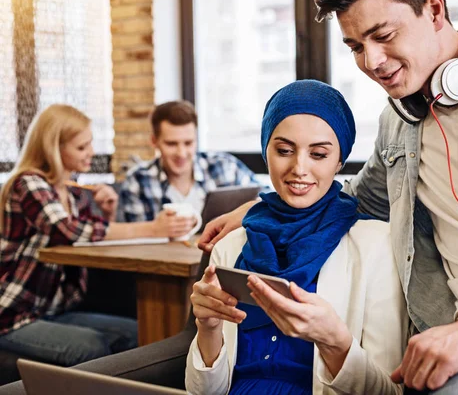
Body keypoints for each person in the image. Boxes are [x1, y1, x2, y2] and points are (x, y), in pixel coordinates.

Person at [197, 0, 458, 393]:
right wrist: (257, 207)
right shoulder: (398, 123)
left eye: (384, 35)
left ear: (435, 9)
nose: (371, 62)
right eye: (356, 46)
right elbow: (353, 199)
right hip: (456, 339)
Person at [185, 80, 409, 394]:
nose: (298, 168)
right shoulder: (232, 245)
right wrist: (207, 328)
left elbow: (389, 391)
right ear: (266, 152)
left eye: (318, 154)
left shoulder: (376, 246)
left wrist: (335, 342)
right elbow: (203, 392)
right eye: (284, 151)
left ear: (339, 162)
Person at [0, 104, 198, 366]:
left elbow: (93, 241)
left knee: (142, 335)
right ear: (54, 149)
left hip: (55, 310)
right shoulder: (28, 184)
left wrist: (109, 214)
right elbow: (67, 231)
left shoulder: (74, 194)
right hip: (13, 315)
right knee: (93, 347)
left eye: (90, 144)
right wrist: (153, 228)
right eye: (82, 147)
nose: (91, 153)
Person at [119, 100, 260, 223]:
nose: (181, 153)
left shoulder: (225, 168)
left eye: (188, 143)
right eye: (171, 144)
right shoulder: (137, 182)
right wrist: (155, 230)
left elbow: (268, 203)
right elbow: (138, 246)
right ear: (154, 141)